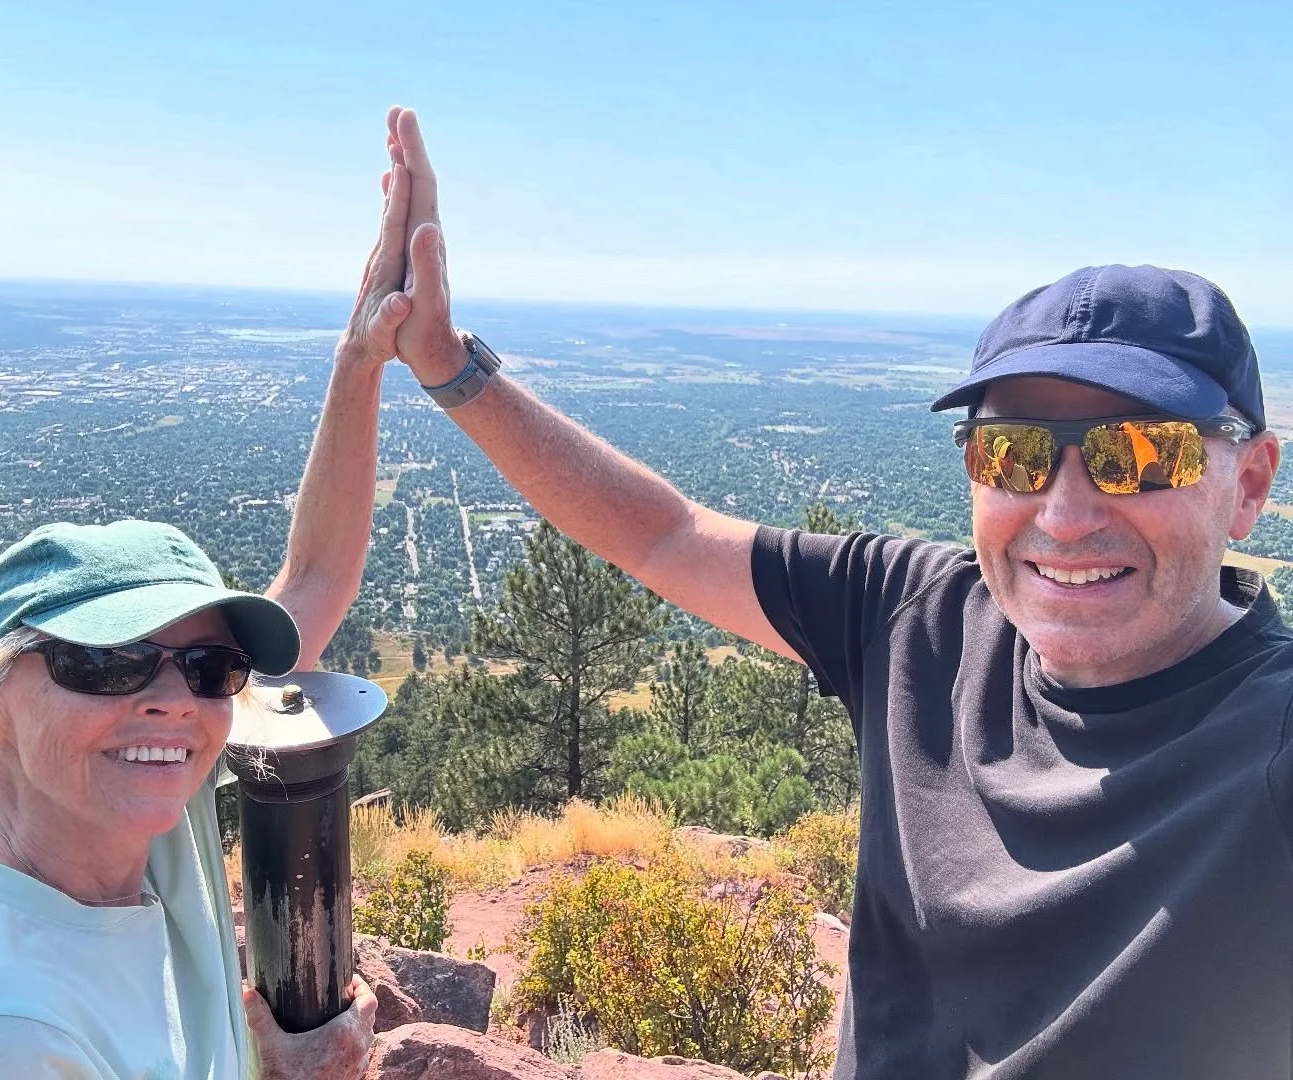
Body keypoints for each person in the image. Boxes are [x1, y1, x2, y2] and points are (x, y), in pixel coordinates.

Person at [380, 108, 1289, 1078]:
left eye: (1140, 453)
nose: (1064, 514)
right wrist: (447, 366)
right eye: (1013, 451)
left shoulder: (1266, 747)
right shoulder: (916, 618)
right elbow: (662, 532)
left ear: (1248, 483)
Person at [0, 116, 422, 1079]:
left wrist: (362, 357)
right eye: (103, 661)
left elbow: (316, 581)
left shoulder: (140, 816)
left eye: (208, 666)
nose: (169, 700)